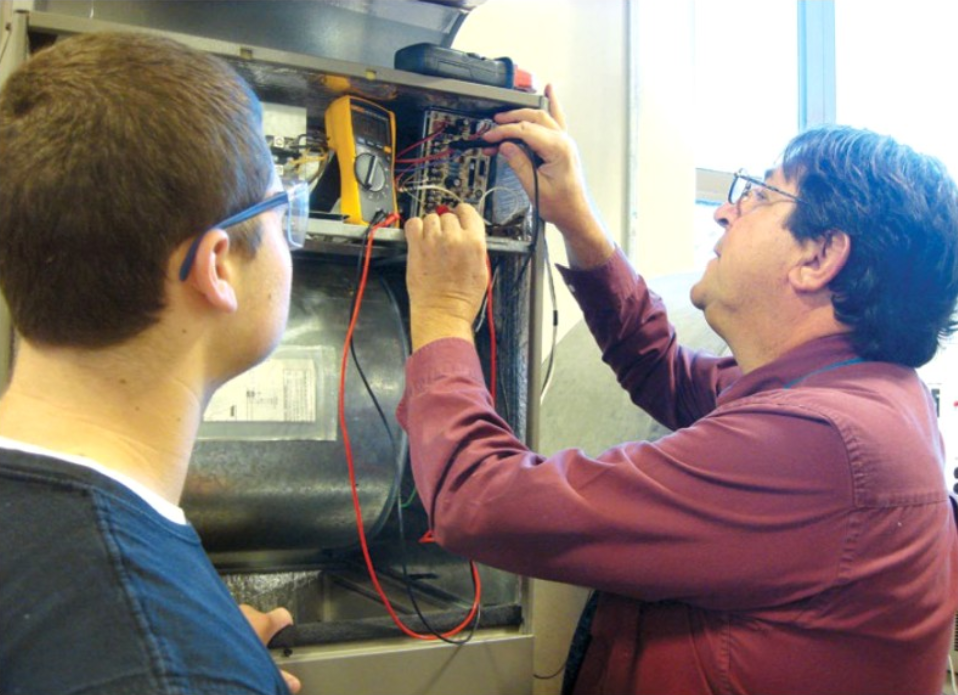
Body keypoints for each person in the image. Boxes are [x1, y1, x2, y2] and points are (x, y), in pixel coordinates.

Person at [397, 84, 958, 694]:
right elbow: (661, 367)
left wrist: (444, 315)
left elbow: (478, 500)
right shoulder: (858, 395)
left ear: (819, 256)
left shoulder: (819, 441)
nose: (724, 211)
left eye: (759, 196)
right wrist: (577, 218)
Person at [0, 32, 303, 694]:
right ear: (217, 265)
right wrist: (198, 664)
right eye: (288, 215)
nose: (292, 243)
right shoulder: (168, 666)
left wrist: (215, 647)